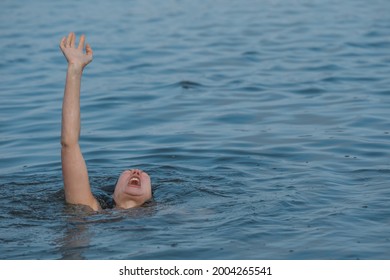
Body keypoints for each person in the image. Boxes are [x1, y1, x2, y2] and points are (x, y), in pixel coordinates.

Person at [59, 32, 152, 211]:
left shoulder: (173, 218)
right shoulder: (92, 210)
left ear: (150, 195)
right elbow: (69, 144)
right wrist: (74, 69)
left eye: (144, 174)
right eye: (127, 172)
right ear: (114, 191)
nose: (136, 172)